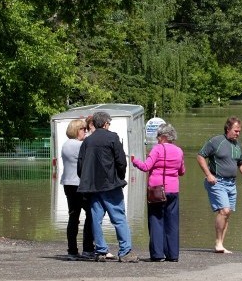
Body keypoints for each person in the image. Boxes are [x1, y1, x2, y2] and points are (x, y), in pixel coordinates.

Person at [77, 111, 138, 262]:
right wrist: (120, 177)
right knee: (118, 218)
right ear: (105, 124)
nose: (109, 126)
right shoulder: (112, 137)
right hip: (110, 185)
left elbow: (80, 165)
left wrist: (86, 180)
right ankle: (125, 252)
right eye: (109, 123)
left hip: (93, 187)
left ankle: (100, 250)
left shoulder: (87, 141)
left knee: (96, 219)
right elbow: (121, 161)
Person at [196, 116, 242, 254]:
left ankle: (221, 243)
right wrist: (208, 174)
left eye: (239, 131)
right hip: (217, 181)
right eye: (236, 131)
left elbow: (241, 163)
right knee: (224, 211)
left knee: (227, 214)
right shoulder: (216, 141)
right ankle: (218, 243)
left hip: (231, 184)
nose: (238, 133)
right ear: (228, 129)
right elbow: (200, 156)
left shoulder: (237, 145)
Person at [132, 123, 186, 262]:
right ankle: (173, 255)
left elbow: (146, 167)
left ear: (163, 136)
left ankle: (157, 255)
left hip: (157, 190)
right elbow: (182, 171)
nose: (157, 139)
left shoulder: (157, 149)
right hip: (173, 190)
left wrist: (134, 160)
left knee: (156, 220)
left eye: (158, 136)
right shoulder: (179, 151)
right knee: (172, 223)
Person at [60, 118, 94, 260]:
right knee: (91, 214)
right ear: (76, 131)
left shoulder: (66, 145)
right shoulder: (77, 145)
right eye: (82, 129)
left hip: (68, 184)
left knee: (73, 216)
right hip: (79, 184)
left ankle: (72, 250)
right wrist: (93, 130)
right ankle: (87, 248)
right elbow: (91, 145)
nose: (85, 132)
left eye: (85, 129)